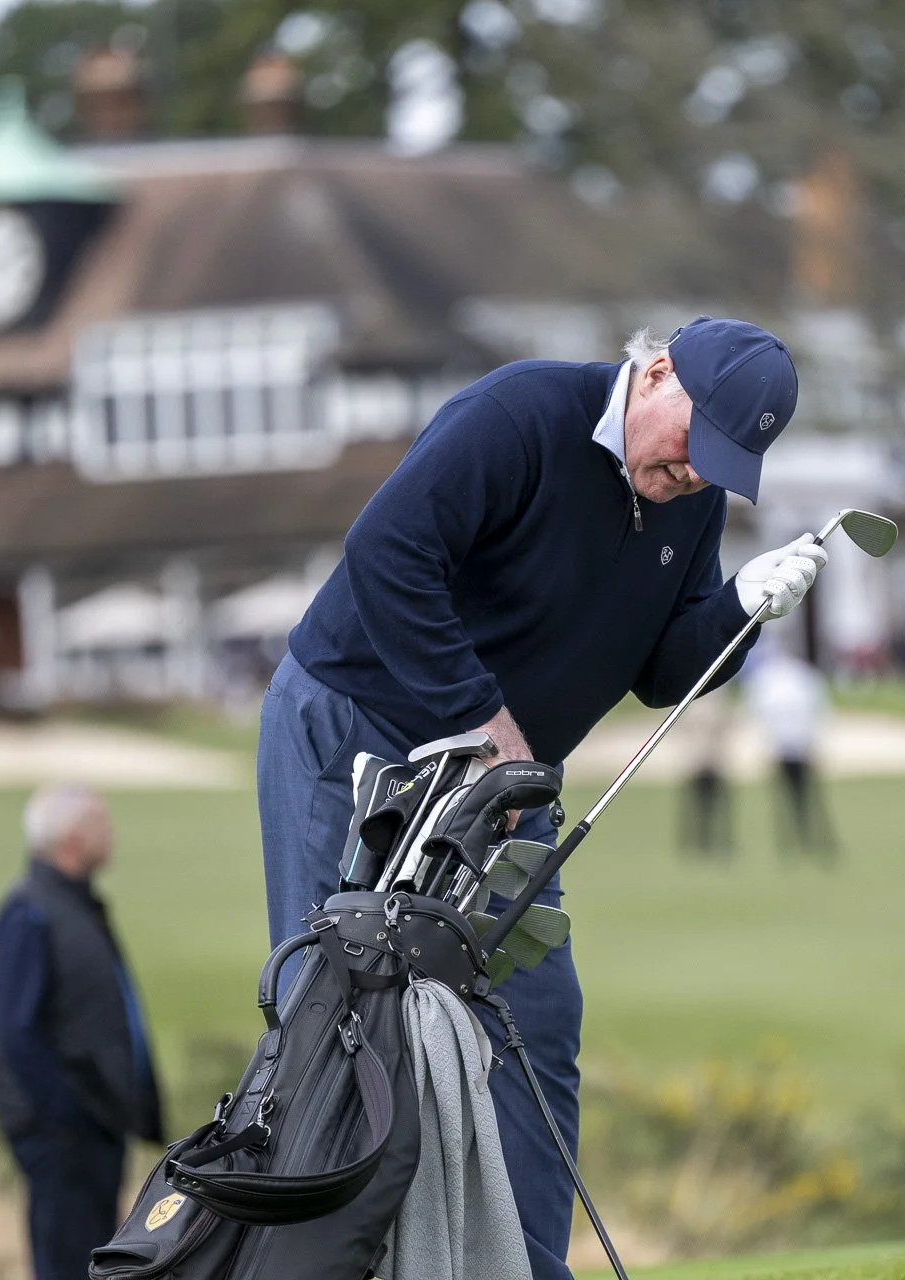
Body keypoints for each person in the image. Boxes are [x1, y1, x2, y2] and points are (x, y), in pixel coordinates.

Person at [259, 318, 825, 1279]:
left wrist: (739, 610)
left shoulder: (690, 502)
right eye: (696, 443)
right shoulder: (521, 414)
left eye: (724, 464)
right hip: (354, 728)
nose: (697, 473)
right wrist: (486, 726)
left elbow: (659, 667)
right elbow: (388, 551)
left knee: (533, 1025)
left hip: (501, 787)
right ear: (655, 374)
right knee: (336, 1018)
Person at [0, 785, 162, 1280]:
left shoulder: (73, 906)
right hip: (67, 1139)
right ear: (73, 838)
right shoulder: (30, 913)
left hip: (93, 1130)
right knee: (67, 1264)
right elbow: (13, 1034)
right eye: (103, 824)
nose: (113, 834)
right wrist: (59, 1124)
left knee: (93, 1263)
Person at [744, 645, 837, 859]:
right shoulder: (780, 680)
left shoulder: (790, 679)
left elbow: (816, 712)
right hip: (785, 747)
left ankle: (812, 842)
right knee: (792, 799)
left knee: (805, 798)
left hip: (798, 747)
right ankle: (794, 844)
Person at [677, 686, 736, 859]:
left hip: (713, 762)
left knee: (718, 807)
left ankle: (720, 842)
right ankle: (695, 843)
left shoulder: (717, 699)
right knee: (695, 808)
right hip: (696, 762)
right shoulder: (691, 701)